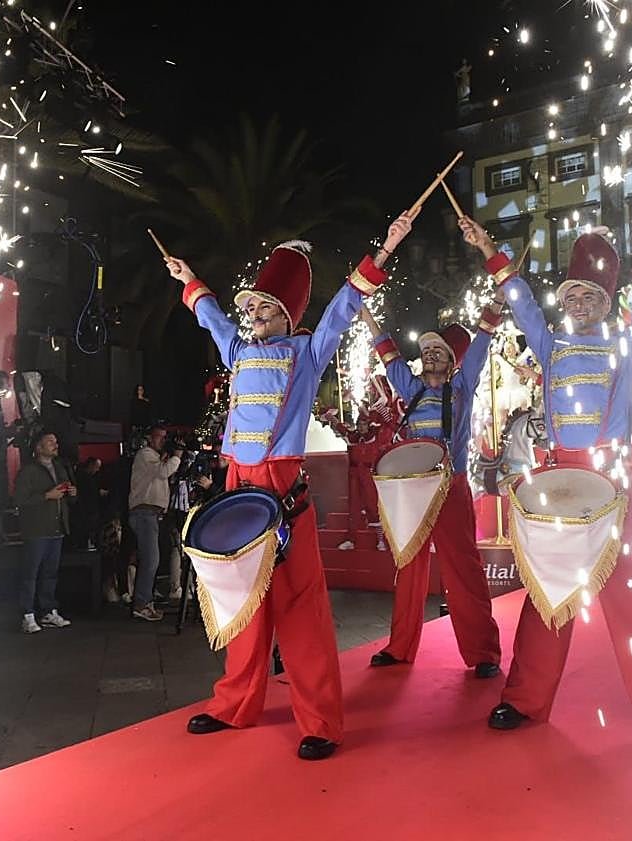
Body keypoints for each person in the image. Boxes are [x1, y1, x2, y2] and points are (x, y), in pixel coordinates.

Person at [164, 211, 413, 760]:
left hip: (282, 489)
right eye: (249, 305)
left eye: (262, 306)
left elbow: (344, 308)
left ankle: (320, 720)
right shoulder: (238, 350)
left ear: (286, 313)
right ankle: (235, 703)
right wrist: (189, 280)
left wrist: (385, 249)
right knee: (244, 603)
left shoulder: (306, 352)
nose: (250, 313)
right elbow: (210, 318)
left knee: (301, 606)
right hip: (236, 485)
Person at [465, 217, 632, 753]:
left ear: (607, 301)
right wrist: (488, 250)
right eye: (573, 292)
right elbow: (521, 303)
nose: (581, 302)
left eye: (591, 293)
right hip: (562, 480)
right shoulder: (550, 343)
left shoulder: (626, 343)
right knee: (549, 591)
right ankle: (524, 699)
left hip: (611, 482)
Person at [358, 286, 505, 672]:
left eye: (438, 351)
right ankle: (400, 647)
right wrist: (367, 317)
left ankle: (483, 653)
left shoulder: (462, 386)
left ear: (453, 362)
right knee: (409, 565)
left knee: (463, 568)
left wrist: (499, 301)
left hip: (450, 486)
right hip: (412, 487)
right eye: (426, 351)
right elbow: (388, 357)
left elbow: (482, 342)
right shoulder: (413, 387)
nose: (429, 354)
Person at [13, 431, 76, 634]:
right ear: (38, 447)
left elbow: (67, 498)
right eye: (50, 442)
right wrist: (46, 495)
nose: (55, 444)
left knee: (50, 573)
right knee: (31, 573)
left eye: (56, 441)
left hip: (56, 529)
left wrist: (72, 493)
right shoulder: (28, 471)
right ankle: (27, 614)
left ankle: (48, 610)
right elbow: (20, 500)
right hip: (37, 529)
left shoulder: (59, 468)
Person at [128, 426, 182, 621]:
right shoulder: (145, 454)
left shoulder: (155, 457)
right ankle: (141, 604)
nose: (163, 440)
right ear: (150, 438)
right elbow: (163, 472)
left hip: (151, 515)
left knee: (153, 559)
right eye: (160, 436)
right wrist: (176, 457)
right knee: (151, 560)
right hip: (144, 513)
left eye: (165, 437)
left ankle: (146, 600)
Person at [320, 410, 391, 552]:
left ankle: (381, 539)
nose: (361, 426)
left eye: (364, 424)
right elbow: (340, 427)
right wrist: (330, 417)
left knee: (373, 505)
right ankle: (350, 540)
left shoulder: (375, 436)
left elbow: (386, 425)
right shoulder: (353, 437)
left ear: (368, 424)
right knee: (353, 507)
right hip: (354, 476)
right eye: (359, 424)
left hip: (368, 475)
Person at [73, 457, 106, 552]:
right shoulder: (85, 478)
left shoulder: (80, 476)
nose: (98, 470)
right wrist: (98, 493)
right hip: (87, 511)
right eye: (96, 467)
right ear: (91, 465)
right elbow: (89, 493)